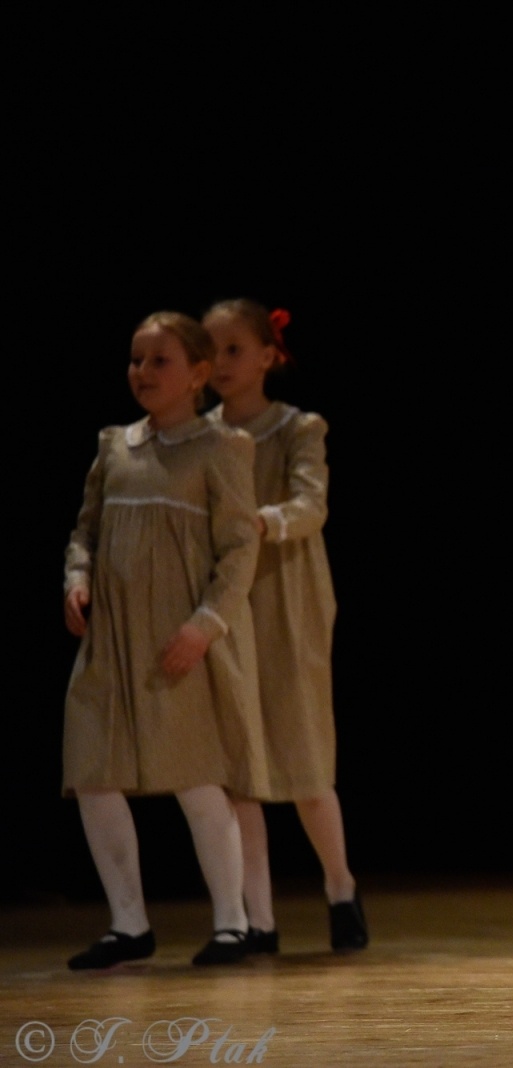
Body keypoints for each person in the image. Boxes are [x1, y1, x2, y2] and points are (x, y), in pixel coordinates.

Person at [62, 312, 267, 968]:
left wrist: (205, 626)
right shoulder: (114, 446)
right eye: (136, 360)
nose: (142, 373)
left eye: (160, 362)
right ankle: (129, 924)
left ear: (199, 375)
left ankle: (232, 922)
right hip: (113, 638)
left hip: (179, 639)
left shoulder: (221, 448)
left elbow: (239, 550)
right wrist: (77, 577)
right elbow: (84, 530)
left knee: (197, 779)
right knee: (93, 773)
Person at [203, 300, 367, 953]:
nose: (220, 363)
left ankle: (340, 885)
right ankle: (257, 918)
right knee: (240, 767)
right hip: (226, 602)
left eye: (233, 349)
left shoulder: (298, 427)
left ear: (268, 356)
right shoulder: (200, 434)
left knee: (301, 757)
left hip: (288, 598)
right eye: (209, 350)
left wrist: (258, 523)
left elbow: (309, 504)